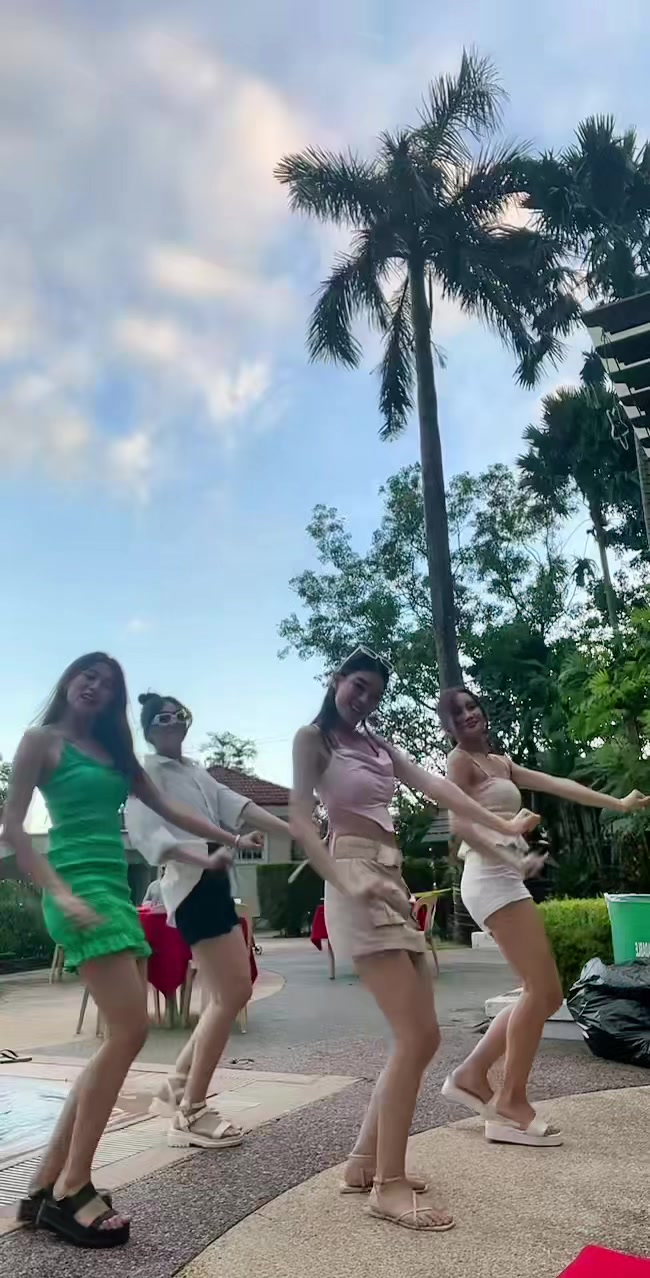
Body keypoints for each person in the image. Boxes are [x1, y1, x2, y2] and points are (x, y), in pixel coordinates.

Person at [2, 653, 262, 1249]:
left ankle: (43, 1187)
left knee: (119, 1039)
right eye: (87, 675)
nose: (95, 686)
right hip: (75, 887)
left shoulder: (116, 754)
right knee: (128, 1031)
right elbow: (13, 829)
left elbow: (172, 811)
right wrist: (59, 893)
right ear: (69, 681)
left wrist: (227, 839)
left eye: (108, 683)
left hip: (114, 893)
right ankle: (73, 1188)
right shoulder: (42, 741)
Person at [290, 647, 540, 1234]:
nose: (365, 699)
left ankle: (363, 1163)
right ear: (336, 680)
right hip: (352, 877)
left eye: (375, 693)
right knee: (417, 1036)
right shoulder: (313, 739)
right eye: (358, 686)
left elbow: (437, 787)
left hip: (391, 879)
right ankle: (388, 1185)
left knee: (419, 1038)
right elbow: (301, 818)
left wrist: (503, 824)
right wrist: (341, 878)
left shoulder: (376, 745)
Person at [437, 686, 650, 1149]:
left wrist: (618, 803)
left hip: (505, 878)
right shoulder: (460, 762)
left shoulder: (500, 763)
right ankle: (510, 1101)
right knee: (544, 992)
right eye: (457, 713)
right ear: (448, 726)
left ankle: (472, 1075)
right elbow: (460, 823)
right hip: (488, 878)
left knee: (538, 993)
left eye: (472, 705)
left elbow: (557, 784)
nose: (469, 714)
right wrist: (510, 838)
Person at [124, 692, 293, 1151]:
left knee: (228, 994)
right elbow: (152, 840)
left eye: (179, 715)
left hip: (214, 883)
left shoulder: (195, 771)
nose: (173, 722)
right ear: (148, 729)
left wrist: (295, 828)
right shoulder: (147, 775)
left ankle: (177, 1087)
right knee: (232, 994)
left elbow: (239, 804)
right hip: (191, 886)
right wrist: (213, 852)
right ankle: (191, 1111)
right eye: (162, 718)